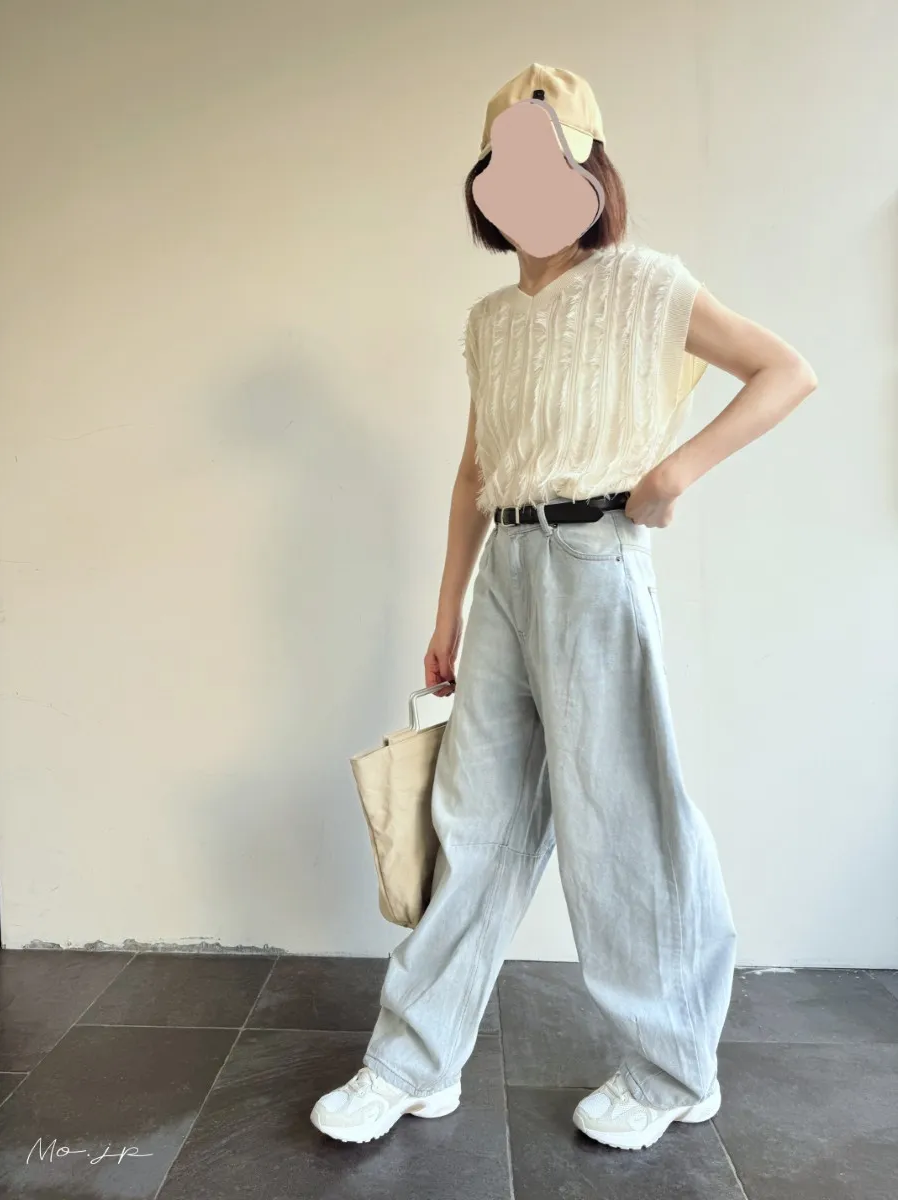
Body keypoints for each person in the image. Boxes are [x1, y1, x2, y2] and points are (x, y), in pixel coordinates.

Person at [312, 63, 817, 1151]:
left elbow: (786, 371)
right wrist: (446, 609)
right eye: (506, 164)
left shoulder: (647, 283)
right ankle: (414, 1061)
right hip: (507, 566)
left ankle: (673, 1070)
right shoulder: (491, 319)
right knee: (473, 821)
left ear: (592, 171)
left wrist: (673, 473)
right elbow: (473, 471)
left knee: (622, 822)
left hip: (596, 560)